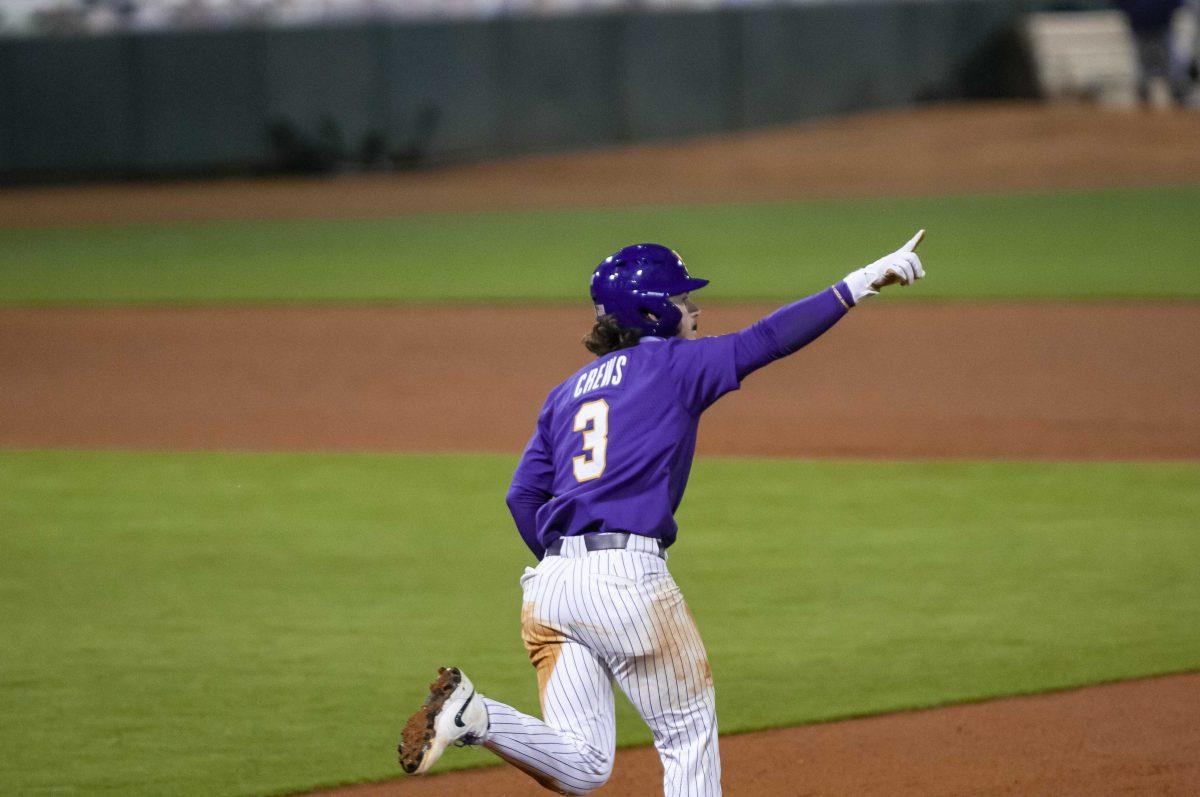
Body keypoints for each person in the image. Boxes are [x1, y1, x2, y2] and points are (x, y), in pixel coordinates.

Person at [397, 233, 927, 795]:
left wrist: (570, 565)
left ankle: (477, 717)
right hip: (626, 582)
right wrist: (860, 281)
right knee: (687, 736)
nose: (692, 309)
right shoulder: (671, 365)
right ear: (651, 311)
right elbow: (767, 339)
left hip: (549, 589)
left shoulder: (565, 392)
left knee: (584, 766)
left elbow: (520, 498)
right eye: (680, 299)